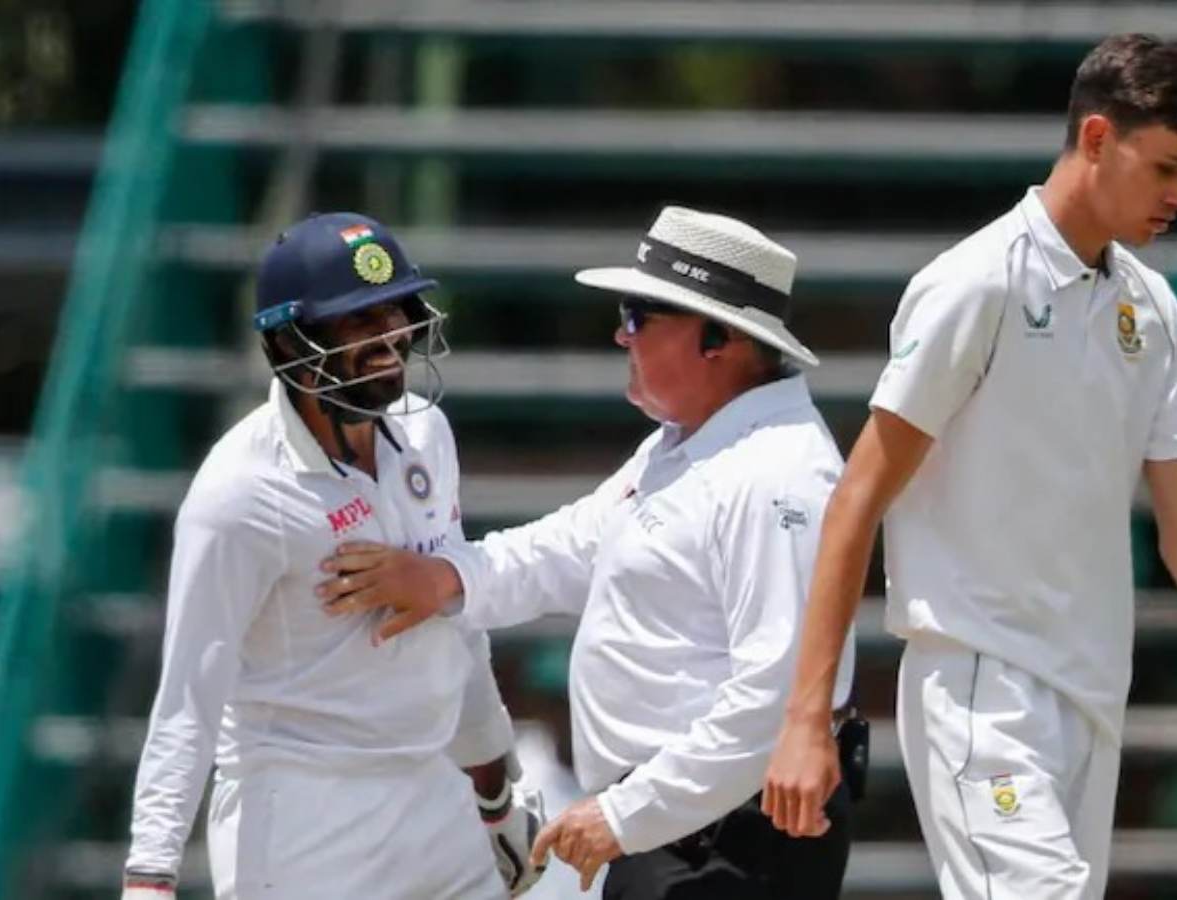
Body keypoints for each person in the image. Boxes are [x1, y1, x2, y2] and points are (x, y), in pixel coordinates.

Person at [760, 33, 1177, 898]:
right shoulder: (975, 284)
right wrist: (806, 718)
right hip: (978, 686)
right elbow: (858, 499)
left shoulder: (1153, 307)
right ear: (1099, 138)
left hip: (1092, 693)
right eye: (1167, 169)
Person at [314, 207, 857, 899]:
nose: (617, 334)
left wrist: (625, 817)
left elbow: (775, 701)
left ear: (716, 337)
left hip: (727, 841)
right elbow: (570, 546)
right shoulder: (690, 443)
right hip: (682, 833)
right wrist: (447, 575)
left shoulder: (780, 475)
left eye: (637, 315)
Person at [121, 213, 542, 900]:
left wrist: (495, 795)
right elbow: (190, 693)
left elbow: (454, 627)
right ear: (289, 341)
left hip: (435, 796)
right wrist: (150, 876)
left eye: (394, 313)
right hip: (304, 822)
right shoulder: (240, 494)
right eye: (356, 323)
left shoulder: (426, 432)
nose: (389, 341)